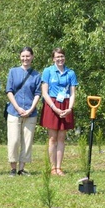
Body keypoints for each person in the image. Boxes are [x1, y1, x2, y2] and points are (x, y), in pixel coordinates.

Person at [40, 48, 77, 176]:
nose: (60, 59)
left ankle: (59, 167)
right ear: (53, 58)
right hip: (52, 104)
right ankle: (52, 168)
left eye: (62, 56)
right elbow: (44, 92)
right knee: (52, 138)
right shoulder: (48, 71)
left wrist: (70, 108)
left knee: (61, 137)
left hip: (66, 105)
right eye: (57, 57)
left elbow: (72, 93)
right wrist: (53, 107)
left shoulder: (70, 73)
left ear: (64, 57)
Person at [5, 47, 41, 175]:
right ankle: (13, 168)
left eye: (28, 56)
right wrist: (18, 107)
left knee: (27, 141)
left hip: (30, 113)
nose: (25, 58)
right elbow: (8, 91)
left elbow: (37, 93)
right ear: (20, 57)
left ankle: (21, 169)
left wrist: (31, 108)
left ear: (32, 57)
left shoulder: (36, 75)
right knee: (14, 140)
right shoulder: (13, 72)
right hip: (14, 111)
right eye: (23, 56)